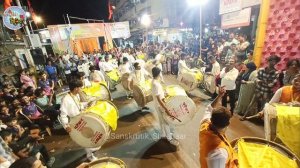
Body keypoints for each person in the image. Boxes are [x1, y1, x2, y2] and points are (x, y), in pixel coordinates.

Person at [59, 80, 98, 161]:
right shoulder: (65, 99)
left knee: (89, 134)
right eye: (80, 87)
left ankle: (91, 149)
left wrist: (87, 103)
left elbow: (78, 105)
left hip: (82, 118)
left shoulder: (76, 95)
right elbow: (63, 115)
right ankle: (89, 156)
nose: (81, 89)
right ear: (76, 88)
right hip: (75, 121)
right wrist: (66, 126)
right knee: (85, 138)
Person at [199, 86, 238, 168]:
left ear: (211, 119)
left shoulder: (205, 124)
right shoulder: (219, 153)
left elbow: (209, 108)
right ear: (228, 124)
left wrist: (219, 95)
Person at [151, 67, 179, 146]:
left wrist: (164, 94)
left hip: (158, 105)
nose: (161, 74)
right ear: (158, 73)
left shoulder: (154, 81)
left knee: (161, 121)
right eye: (160, 72)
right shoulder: (156, 84)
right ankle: (169, 138)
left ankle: (163, 134)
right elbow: (159, 99)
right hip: (160, 106)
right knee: (166, 121)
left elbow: (159, 95)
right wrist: (166, 109)